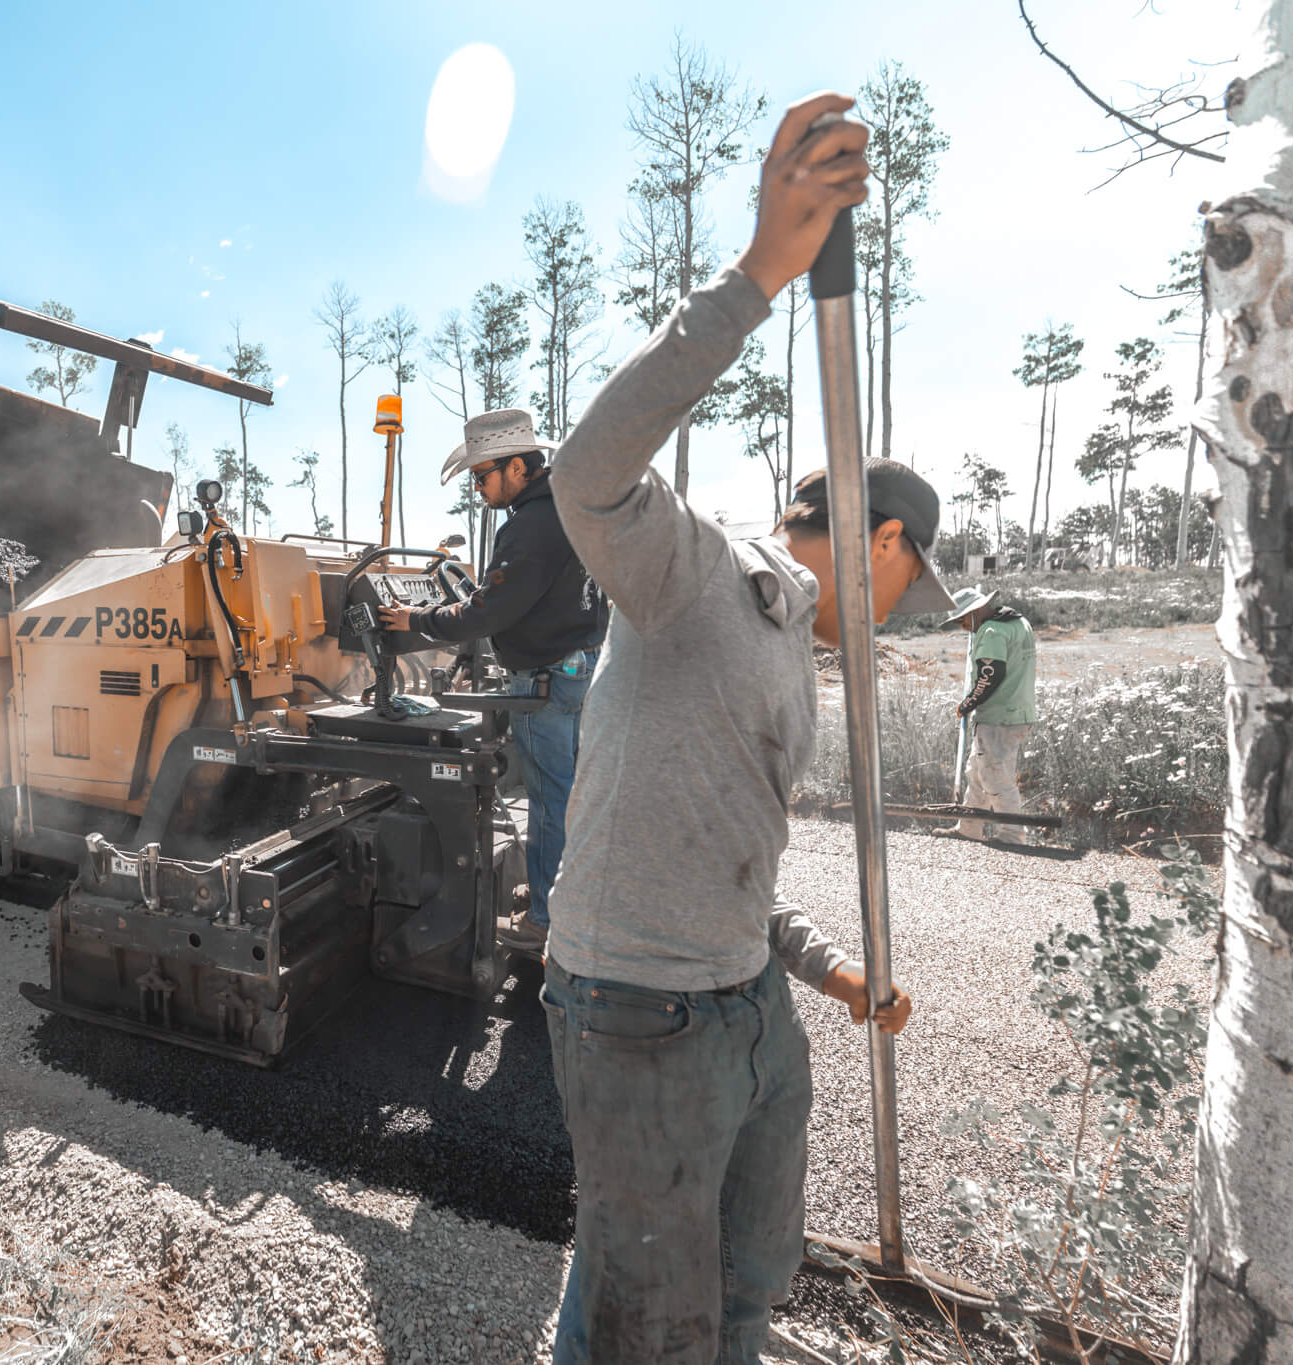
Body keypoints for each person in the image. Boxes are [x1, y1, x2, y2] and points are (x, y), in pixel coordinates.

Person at [538, 93, 948, 1365]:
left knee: (747, 1278)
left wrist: (824, 971)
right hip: (637, 1009)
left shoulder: (798, 646)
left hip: (746, 1004)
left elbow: (732, 858)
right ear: (884, 542)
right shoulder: (704, 577)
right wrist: (757, 275)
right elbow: (585, 474)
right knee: (643, 1326)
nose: (899, 616)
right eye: (908, 585)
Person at [375, 408, 607, 955]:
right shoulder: (569, 509)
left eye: (482, 477)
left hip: (547, 677)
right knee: (570, 793)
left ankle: (547, 921)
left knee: (551, 799)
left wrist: (416, 620)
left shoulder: (530, 525)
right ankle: (568, 900)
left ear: (518, 469)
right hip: (577, 666)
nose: (479, 489)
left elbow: (489, 611)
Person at [943, 586, 1039, 841]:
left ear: (975, 611)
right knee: (978, 770)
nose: (964, 627)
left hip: (1000, 716)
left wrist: (968, 703)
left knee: (995, 773)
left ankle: (1012, 833)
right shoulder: (1018, 623)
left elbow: (989, 676)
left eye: (963, 620)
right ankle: (969, 828)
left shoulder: (992, 631)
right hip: (1016, 711)